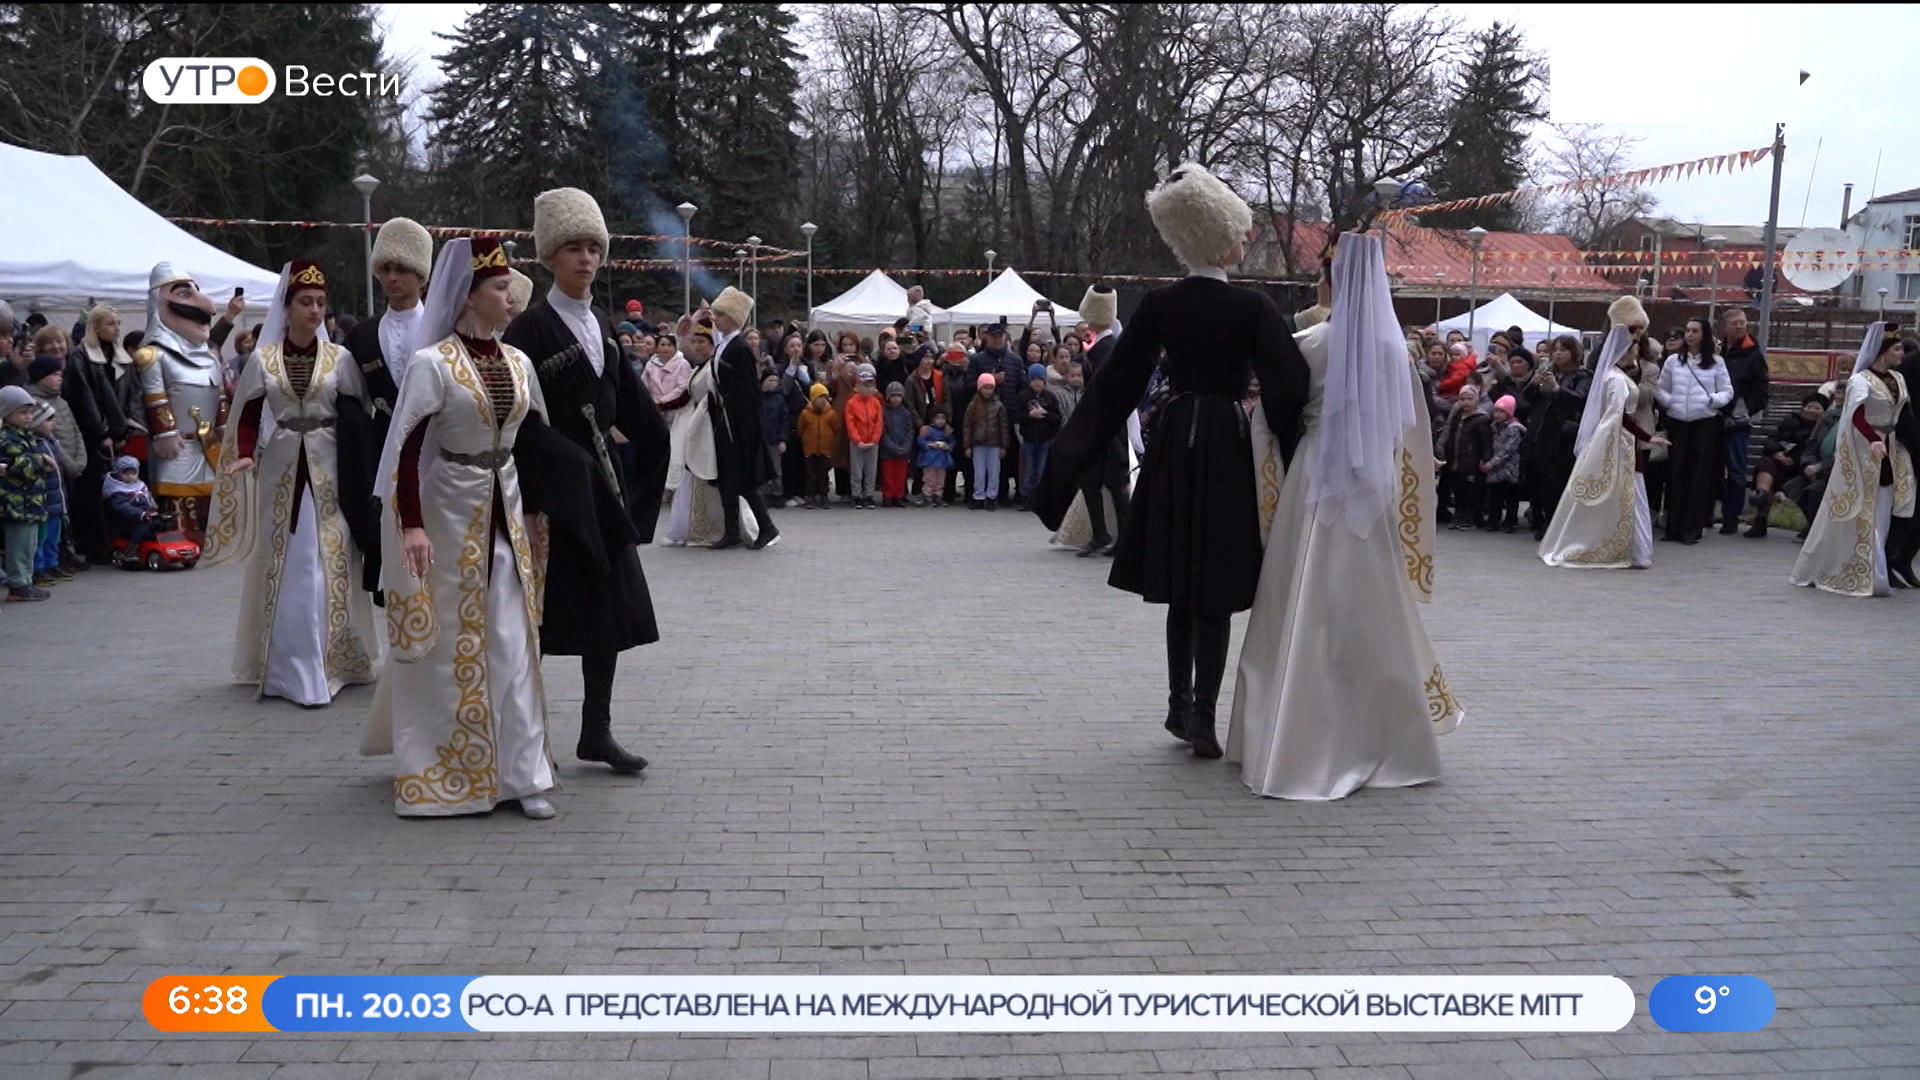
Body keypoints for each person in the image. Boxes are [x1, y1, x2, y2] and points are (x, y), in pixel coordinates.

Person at [1032, 163, 1309, 759]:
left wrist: (1066, 459)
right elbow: (1289, 382)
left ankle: (1178, 705)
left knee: (1183, 585)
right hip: (1227, 444)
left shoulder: (1160, 303)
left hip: (1175, 438)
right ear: (1223, 236)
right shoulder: (1253, 307)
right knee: (1213, 589)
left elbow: (1115, 386)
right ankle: (1204, 713)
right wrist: (1290, 445)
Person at [1227, 231, 1460, 799]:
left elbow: (1267, 418)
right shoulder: (1394, 354)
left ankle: (1290, 732)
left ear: (1332, 279)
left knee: (1297, 597)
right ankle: (1386, 734)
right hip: (1370, 488)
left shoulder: (1307, 344)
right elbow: (1412, 433)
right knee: (1369, 604)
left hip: (1313, 476)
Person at [360, 237, 558, 818]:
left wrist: (538, 507)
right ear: (469, 296)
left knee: (513, 638)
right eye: (500, 288)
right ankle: (451, 769)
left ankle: (523, 772)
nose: (511, 297)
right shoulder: (432, 364)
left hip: (508, 509)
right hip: (449, 511)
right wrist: (413, 527)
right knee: (453, 642)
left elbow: (537, 441)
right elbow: (405, 450)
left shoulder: (519, 363)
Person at [502, 188, 669, 775]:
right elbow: (515, 420)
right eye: (573, 247)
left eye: (594, 247)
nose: (586, 258)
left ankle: (596, 730)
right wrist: (559, 467)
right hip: (552, 497)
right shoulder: (528, 330)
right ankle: (518, 734)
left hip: (601, 493)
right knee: (538, 619)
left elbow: (626, 405)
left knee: (606, 616)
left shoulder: (601, 322)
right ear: (549, 256)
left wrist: (650, 465)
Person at [203, 260, 379, 707]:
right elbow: (246, 413)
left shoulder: (339, 359)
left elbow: (358, 413)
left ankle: (335, 659)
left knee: (331, 560)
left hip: (330, 466)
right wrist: (244, 453)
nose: (316, 310)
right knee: (287, 560)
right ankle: (288, 664)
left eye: (321, 302)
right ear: (289, 306)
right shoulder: (264, 359)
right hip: (281, 465)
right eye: (306, 302)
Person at [1792, 324, 1914, 596]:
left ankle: (1874, 567)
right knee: (1862, 508)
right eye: (1896, 349)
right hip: (1866, 450)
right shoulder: (1862, 380)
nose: (1901, 354)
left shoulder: (1898, 378)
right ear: (1883, 350)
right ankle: (1862, 570)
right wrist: (1873, 438)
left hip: (1890, 449)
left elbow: (1902, 413)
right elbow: (1856, 416)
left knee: (1883, 508)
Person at [1539, 327, 1669, 570]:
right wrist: (1646, 437)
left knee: (1631, 495)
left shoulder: (1614, 375)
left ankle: (1635, 548)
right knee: (1630, 495)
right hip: (1620, 443)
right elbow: (1617, 416)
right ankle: (1631, 549)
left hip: (1623, 441)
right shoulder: (1616, 379)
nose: (1637, 349)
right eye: (1634, 346)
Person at [132, 264, 228, 541]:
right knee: (177, 496)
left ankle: (209, 537)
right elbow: (156, 398)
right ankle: (177, 538)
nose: (206, 307)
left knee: (210, 495)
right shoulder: (153, 355)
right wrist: (166, 432)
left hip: (209, 443)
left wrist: (224, 431)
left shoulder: (211, 356)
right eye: (185, 295)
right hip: (178, 444)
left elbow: (220, 398)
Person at [664, 321, 762, 547]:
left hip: (711, 426)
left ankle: (733, 528)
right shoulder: (700, 367)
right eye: (695, 341)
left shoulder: (714, 366)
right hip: (698, 426)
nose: (697, 346)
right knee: (706, 478)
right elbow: (686, 395)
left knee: (723, 478)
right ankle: (711, 528)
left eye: (702, 341)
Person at [705, 287, 779, 548]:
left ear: (735, 319)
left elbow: (748, 393)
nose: (716, 319)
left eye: (721, 315)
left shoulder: (740, 349)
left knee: (743, 478)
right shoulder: (724, 344)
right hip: (724, 418)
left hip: (737, 422)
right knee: (726, 477)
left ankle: (767, 526)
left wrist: (745, 427)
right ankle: (732, 530)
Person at [1654, 316, 1732, 544]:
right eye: (1687, 330)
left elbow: (1727, 391)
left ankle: (1692, 529)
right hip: (1677, 422)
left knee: (1698, 476)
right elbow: (1661, 388)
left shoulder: (1716, 362)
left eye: (1694, 331)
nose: (1689, 335)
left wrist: (1711, 401)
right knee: (1675, 474)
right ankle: (1673, 527)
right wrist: (1671, 402)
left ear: (1704, 334)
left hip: (1703, 423)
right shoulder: (1672, 362)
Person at [1073, 286, 1133, 555]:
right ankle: (1108, 535)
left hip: (1104, 426)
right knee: (1097, 481)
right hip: (1106, 424)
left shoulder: (1103, 349)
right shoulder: (1109, 345)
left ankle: (1117, 537)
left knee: (1112, 483)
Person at [1523, 333, 1591, 540]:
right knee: (1541, 481)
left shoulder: (1583, 376)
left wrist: (1557, 389)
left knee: (1559, 482)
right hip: (1541, 434)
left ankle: (1560, 526)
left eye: (1563, 349)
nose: (1558, 354)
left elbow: (1581, 400)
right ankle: (1543, 520)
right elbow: (1527, 398)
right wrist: (1534, 383)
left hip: (1564, 437)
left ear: (1574, 353)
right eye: (1556, 349)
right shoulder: (1548, 371)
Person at [1745, 393, 1828, 539]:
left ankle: (1811, 524)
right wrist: (1778, 453)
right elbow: (1772, 439)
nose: (1811, 410)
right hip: (1781, 462)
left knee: (1802, 484)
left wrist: (1794, 460)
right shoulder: (1790, 420)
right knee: (1766, 463)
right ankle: (1761, 497)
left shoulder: (1824, 427)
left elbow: (1812, 450)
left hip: (1806, 467)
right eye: (1808, 406)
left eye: (1816, 408)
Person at [1718, 307, 1770, 534]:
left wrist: (1745, 409)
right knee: (1711, 468)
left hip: (1738, 422)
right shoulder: (1719, 351)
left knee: (1736, 470)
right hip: (1714, 417)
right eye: (1735, 323)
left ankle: (1732, 517)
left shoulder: (1753, 354)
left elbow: (1762, 390)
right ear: (1725, 327)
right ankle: (1708, 512)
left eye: (1742, 323)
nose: (1739, 327)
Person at [0, 385, 54, 601]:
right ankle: (18, 584)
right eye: (22, 412)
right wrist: (41, 461)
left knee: (30, 543)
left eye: (30, 412)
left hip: (30, 501)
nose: (28, 417)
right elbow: (15, 464)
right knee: (19, 545)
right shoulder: (7, 438)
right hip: (17, 502)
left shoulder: (25, 436)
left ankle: (26, 580)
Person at [1438, 384, 1490, 530]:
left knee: (1471, 492)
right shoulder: (1456, 415)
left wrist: (1486, 459)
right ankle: (1459, 516)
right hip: (1456, 460)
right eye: (1462, 399)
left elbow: (1486, 442)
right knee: (1458, 490)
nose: (1466, 402)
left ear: (1477, 400)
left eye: (1470, 399)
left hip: (1472, 462)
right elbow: (1450, 434)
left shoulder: (1481, 419)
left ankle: (1472, 518)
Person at [1016, 362, 1062, 509]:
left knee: (1041, 470)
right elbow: (1017, 417)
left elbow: (1057, 418)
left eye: (1040, 379)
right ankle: (1027, 499)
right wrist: (1030, 415)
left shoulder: (1050, 397)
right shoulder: (1023, 396)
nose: (1037, 383)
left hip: (1045, 440)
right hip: (1029, 440)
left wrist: (1045, 414)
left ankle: (1039, 500)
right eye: (1034, 379)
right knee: (1029, 470)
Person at [964, 373, 1010, 510]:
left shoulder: (999, 406)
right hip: (978, 443)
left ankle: (991, 497)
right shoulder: (972, 406)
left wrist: (1004, 445)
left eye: (991, 388)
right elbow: (967, 426)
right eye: (985, 388)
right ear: (979, 388)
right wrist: (967, 445)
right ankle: (978, 496)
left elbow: (1004, 426)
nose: (988, 391)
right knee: (979, 472)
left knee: (994, 472)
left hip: (994, 443)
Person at [1482, 395, 1526, 533]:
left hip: (1510, 467)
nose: (1498, 415)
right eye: (1496, 411)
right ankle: (1493, 520)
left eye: (1502, 412)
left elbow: (1509, 449)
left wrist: (1492, 462)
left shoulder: (1514, 428)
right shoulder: (1494, 427)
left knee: (1511, 496)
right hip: (1495, 467)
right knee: (1495, 495)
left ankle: (1510, 521)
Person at [843, 363, 883, 509]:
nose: (868, 389)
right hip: (857, 442)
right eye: (865, 386)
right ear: (858, 386)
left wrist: (874, 439)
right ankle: (857, 495)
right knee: (857, 471)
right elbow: (850, 422)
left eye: (871, 386)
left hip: (872, 442)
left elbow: (878, 422)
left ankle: (869, 495)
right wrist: (857, 440)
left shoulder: (876, 403)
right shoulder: (852, 403)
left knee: (871, 470)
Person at [796, 383, 840, 509]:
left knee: (823, 473)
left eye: (825, 397)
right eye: (820, 397)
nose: (823, 400)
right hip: (810, 448)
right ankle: (811, 495)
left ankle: (824, 495)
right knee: (811, 474)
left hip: (825, 448)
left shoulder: (831, 413)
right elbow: (801, 428)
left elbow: (836, 428)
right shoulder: (805, 413)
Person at [102, 455, 159, 544]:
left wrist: (153, 508)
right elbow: (123, 507)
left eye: (133, 473)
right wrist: (141, 514)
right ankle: (132, 548)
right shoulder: (117, 491)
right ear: (119, 473)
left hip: (145, 516)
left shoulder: (141, 486)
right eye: (126, 473)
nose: (130, 476)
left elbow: (149, 498)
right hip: (127, 520)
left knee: (159, 524)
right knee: (142, 527)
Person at [878, 382, 915, 507]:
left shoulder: (906, 413)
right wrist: (892, 447)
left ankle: (899, 496)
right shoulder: (883, 412)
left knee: (901, 475)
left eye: (899, 396)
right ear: (888, 397)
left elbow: (910, 431)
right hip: (888, 450)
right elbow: (883, 432)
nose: (896, 399)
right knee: (888, 475)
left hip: (903, 450)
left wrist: (906, 446)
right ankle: (888, 496)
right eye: (893, 396)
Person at [914, 409, 956, 507]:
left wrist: (948, 446)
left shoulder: (947, 430)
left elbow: (953, 441)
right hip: (930, 458)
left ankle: (938, 495)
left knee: (940, 479)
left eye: (943, 418)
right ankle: (927, 495)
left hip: (942, 458)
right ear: (932, 419)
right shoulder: (928, 429)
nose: (941, 421)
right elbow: (920, 440)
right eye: (938, 418)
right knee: (930, 478)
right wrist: (929, 444)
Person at [760, 371, 791, 500]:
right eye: (770, 380)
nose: (772, 384)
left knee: (776, 469)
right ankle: (762, 495)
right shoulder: (756, 397)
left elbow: (784, 420)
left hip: (774, 439)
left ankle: (777, 494)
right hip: (760, 439)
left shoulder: (779, 399)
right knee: (761, 468)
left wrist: (782, 439)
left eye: (775, 381)